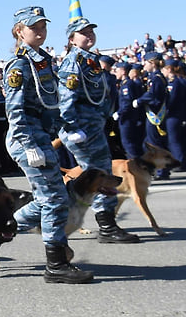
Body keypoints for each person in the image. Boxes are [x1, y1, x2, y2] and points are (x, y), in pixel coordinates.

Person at [4, 6, 93, 283]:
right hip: (27, 139)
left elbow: (49, 103)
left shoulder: (44, 61)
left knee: (51, 199)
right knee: (54, 199)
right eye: (34, 27)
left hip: (41, 135)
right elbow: (15, 111)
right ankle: (56, 263)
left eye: (43, 26)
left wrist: (66, 127)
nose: (40, 31)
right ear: (20, 31)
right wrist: (29, 145)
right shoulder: (18, 65)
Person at [58, 18, 138, 243]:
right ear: (72, 39)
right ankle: (106, 226)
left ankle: (104, 223)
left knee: (100, 173)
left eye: (91, 31)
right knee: (98, 175)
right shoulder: (73, 62)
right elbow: (65, 98)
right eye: (83, 32)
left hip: (93, 127)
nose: (89, 35)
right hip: (82, 129)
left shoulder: (91, 60)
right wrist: (72, 127)